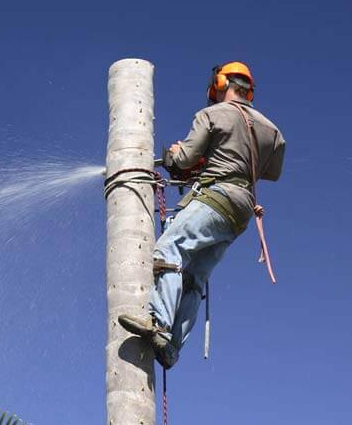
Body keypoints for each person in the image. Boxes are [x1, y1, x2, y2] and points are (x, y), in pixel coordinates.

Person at [118, 61, 286, 369]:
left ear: (221, 84)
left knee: (169, 249)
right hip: (240, 212)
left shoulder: (211, 115)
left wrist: (174, 154)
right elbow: (269, 172)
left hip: (216, 197)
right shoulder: (272, 132)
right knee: (195, 277)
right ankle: (171, 348)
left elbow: (183, 161)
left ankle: (159, 323)